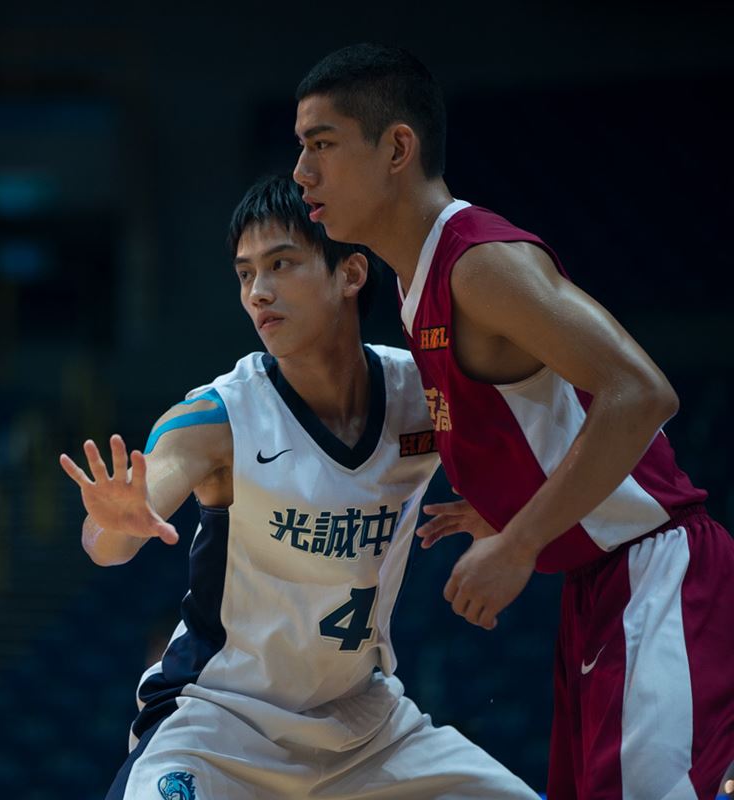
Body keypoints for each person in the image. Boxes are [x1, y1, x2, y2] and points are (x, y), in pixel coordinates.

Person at [292, 43, 734, 800]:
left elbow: (641, 394)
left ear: (397, 148)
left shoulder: (480, 263)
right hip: (600, 587)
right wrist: (510, 498)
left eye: (321, 145)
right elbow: (551, 410)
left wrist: (522, 539)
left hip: (656, 573)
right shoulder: (416, 280)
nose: (302, 172)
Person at [59, 175, 537, 800]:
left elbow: (539, 455)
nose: (258, 291)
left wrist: (507, 518)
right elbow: (111, 543)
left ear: (351, 273)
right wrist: (116, 524)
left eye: (281, 264)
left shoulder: (420, 395)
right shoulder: (218, 417)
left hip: (366, 726)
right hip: (220, 725)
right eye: (245, 273)